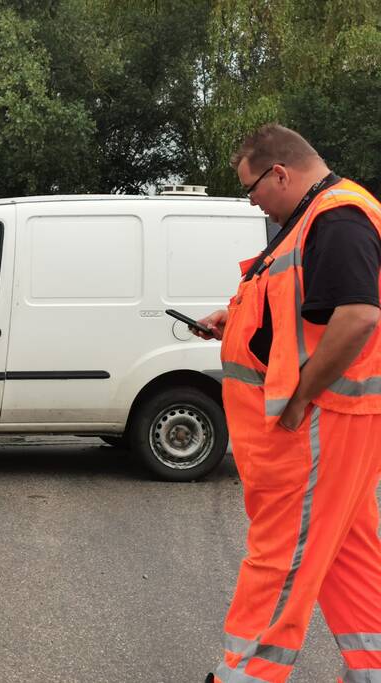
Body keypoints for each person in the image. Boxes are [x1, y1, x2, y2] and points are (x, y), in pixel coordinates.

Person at [196, 124, 381, 683]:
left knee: (282, 555)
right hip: (335, 427)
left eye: (252, 188)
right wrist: (237, 320)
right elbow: (307, 313)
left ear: (281, 172)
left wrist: (303, 396)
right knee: (348, 553)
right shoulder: (309, 220)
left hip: (322, 426)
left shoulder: (337, 217)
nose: (253, 202)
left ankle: (244, 677)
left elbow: (360, 316)